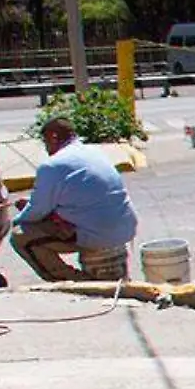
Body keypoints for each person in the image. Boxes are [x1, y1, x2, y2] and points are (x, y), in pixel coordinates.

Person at [10, 118, 139, 282]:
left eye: (46, 142)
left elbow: (37, 210)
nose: (46, 149)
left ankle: (71, 281)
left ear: (54, 138)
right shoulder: (94, 152)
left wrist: (18, 220)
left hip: (98, 234)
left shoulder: (52, 166)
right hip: (125, 227)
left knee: (20, 236)